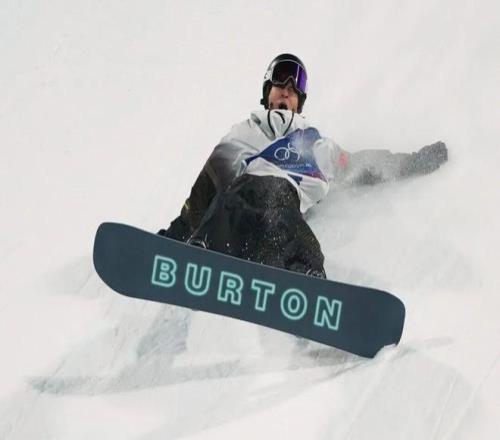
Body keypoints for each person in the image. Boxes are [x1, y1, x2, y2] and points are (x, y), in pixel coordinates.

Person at [159, 53, 447, 278]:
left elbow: (364, 166)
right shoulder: (241, 135)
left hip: (275, 244)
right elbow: (205, 191)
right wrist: (168, 245)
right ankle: (200, 255)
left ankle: (306, 276)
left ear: (299, 102)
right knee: (244, 190)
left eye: (293, 89)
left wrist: (415, 161)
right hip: (228, 238)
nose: (286, 91)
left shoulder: (314, 146)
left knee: (273, 189)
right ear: (267, 92)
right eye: (280, 84)